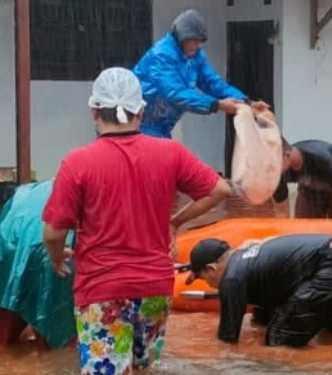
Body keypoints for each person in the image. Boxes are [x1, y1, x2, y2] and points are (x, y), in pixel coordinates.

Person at [42, 67, 232, 374]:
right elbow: (220, 189)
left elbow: (53, 233)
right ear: (140, 112)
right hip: (155, 286)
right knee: (145, 369)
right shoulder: (170, 153)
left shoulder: (77, 163)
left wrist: (56, 258)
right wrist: (175, 222)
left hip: (102, 288)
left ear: (94, 112)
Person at [184, 234, 332, 347]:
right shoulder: (249, 258)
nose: (209, 285)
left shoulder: (231, 278)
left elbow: (227, 338)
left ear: (211, 269)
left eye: (203, 278)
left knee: (279, 341)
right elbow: (266, 312)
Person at [0, 181, 75, 350]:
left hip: (7, 248)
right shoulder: (79, 188)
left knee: (3, 342)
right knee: (55, 341)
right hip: (53, 248)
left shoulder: (25, 192)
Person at [133, 9, 251, 139]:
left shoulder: (196, 56)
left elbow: (212, 82)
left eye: (200, 41)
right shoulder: (161, 55)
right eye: (194, 40)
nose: (197, 45)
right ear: (182, 37)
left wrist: (244, 101)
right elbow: (175, 93)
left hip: (163, 127)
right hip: (138, 125)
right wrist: (216, 105)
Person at [273, 139, 332, 219]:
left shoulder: (320, 158)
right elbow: (281, 212)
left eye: (274, 161)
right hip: (311, 185)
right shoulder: (276, 174)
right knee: (303, 226)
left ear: (287, 155)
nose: (271, 166)